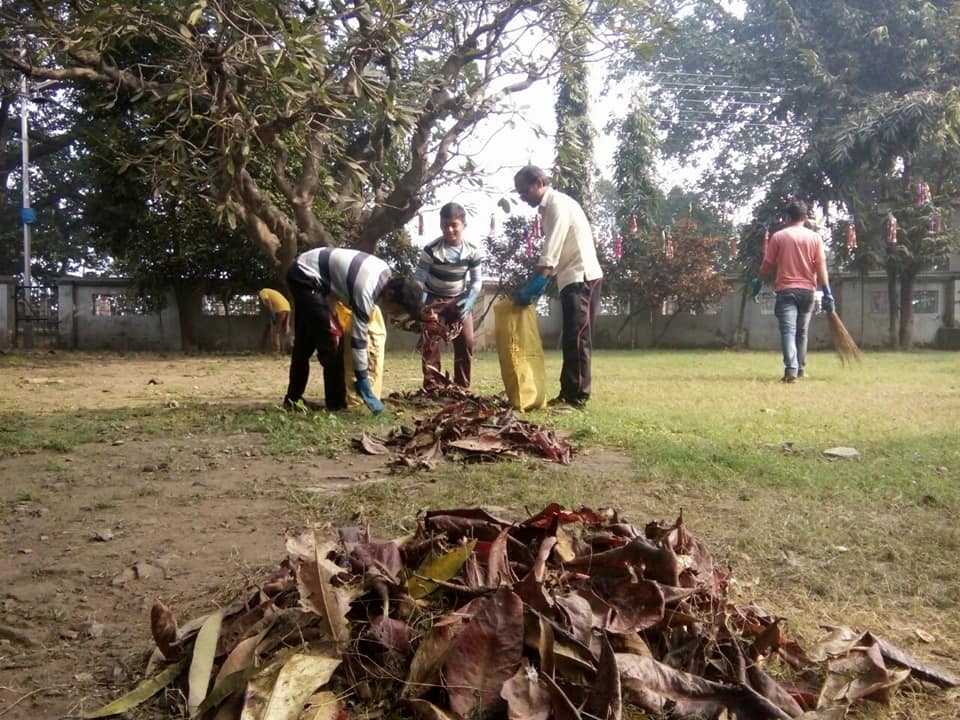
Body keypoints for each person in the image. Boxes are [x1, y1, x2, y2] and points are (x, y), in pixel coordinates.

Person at [284, 247, 423, 414]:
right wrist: (363, 380)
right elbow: (358, 340)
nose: (395, 315)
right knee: (333, 341)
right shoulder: (366, 291)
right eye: (398, 310)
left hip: (305, 271)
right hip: (305, 277)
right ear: (390, 294)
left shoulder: (384, 272)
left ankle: (292, 400)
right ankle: (336, 406)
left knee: (304, 343)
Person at [512, 165, 603, 408]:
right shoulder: (549, 207)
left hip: (582, 276)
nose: (522, 197)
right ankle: (568, 393)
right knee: (571, 337)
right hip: (570, 277)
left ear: (540, 183)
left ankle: (577, 398)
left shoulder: (557, 204)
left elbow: (552, 248)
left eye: (524, 191)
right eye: (519, 193)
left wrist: (537, 283)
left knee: (578, 338)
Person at [757, 199, 833, 383]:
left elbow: (767, 264)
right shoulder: (815, 238)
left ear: (787, 217)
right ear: (805, 217)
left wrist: (758, 280)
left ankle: (791, 370)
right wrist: (827, 291)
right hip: (807, 293)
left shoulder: (779, 237)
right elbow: (821, 267)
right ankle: (800, 370)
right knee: (802, 332)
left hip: (786, 291)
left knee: (788, 332)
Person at [414, 203, 485, 390]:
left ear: (464, 225)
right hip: (433, 299)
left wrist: (470, 300)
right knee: (430, 344)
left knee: (466, 341)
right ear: (440, 225)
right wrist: (421, 302)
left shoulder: (473, 251)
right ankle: (432, 387)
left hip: (459, 300)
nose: (449, 230)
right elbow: (419, 278)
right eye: (445, 225)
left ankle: (462, 387)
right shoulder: (431, 250)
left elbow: (476, 281)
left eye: (454, 225)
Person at [258, 288, 291, 358]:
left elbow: (268, 301)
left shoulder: (262, 292)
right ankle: (287, 349)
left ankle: (276, 352)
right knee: (284, 330)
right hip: (287, 308)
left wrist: (272, 313)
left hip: (279, 310)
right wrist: (287, 324)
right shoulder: (271, 291)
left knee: (274, 332)